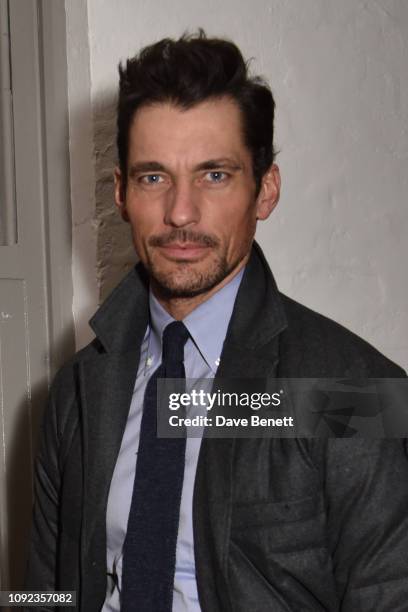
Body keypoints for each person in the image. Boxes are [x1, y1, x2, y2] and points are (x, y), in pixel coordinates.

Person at [26, 31, 408, 611]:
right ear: (122, 193)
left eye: (214, 175)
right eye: (154, 177)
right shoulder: (78, 392)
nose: (180, 212)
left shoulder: (354, 392)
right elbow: (44, 594)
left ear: (265, 191)